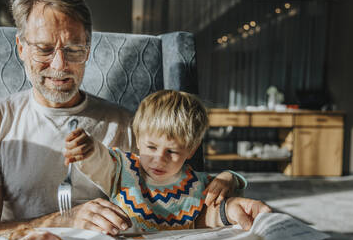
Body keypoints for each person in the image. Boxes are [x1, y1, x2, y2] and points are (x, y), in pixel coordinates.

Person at [0, 0, 267, 237]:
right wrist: (63, 220)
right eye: (44, 49)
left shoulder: (127, 124)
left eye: (74, 50)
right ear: (21, 47)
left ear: (88, 49)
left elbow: (172, 208)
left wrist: (227, 200)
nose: (59, 65)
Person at [65, 90, 271, 231]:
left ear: (190, 151)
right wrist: (89, 149)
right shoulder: (121, 169)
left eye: (172, 152)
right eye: (151, 147)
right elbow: (99, 161)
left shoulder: (197, 184)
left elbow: (215, 211)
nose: (159, 159)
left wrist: (229, 178)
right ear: (138, 139)